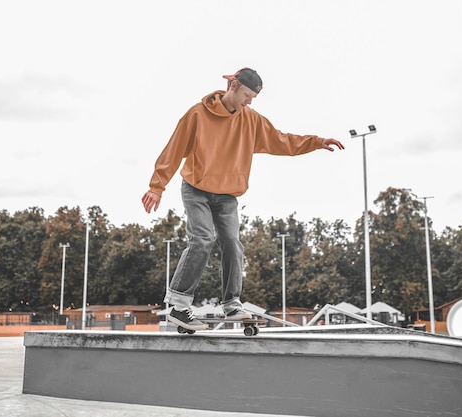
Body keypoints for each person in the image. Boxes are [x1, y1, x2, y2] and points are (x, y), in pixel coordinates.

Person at [142, 68, 344, 330]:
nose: (249, 102)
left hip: (227, 195)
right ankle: (179, 304)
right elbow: (174, 149)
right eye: (247, 95)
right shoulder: (197, 114)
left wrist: (316, 142)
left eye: (253, 98)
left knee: (232, 243)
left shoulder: (252, 120)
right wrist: (156, 186)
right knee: (202, 238)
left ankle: (232, 304)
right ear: (233, 86)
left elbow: (282, 140)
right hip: (196, 188)